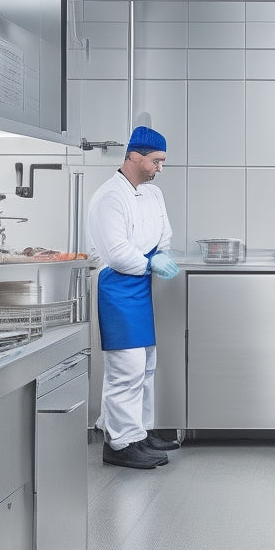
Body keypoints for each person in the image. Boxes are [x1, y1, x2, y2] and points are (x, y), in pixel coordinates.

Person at [87, 125, 181, 469]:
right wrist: (150, 262)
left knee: (146, 365)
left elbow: (164, 231)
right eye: (157, 161)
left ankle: (140, 431)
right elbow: (116, 253)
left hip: (141, 285)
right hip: (118, 286)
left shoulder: (153, 194)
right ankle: (119, 442)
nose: (160, 168)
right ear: (135, 156)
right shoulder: (110, 197)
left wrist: (163, 254)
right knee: (126, 368)